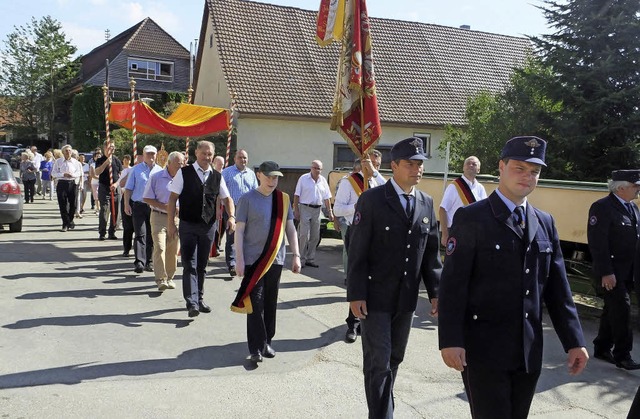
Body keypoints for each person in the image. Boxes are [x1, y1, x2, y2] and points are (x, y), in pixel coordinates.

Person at [438, 136, 589, 419]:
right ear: (501, 167)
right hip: (483, 349)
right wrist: (450, 339)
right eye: (519, 168)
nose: (527, 176)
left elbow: (558, 289)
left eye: (534, 171)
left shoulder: (545, 221)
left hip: (527, 351)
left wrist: (574, 340)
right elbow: (453, 285)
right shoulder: (472, 218)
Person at [347, 137, 441, 418]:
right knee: (379, 361)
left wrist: (437, 293)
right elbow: (357, 251)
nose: (417, 170)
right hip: (375, 297)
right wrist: (355, 294)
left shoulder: (425, 202)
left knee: (394, 357)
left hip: (406, 298)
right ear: (394, 166)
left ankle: (382, 406)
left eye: (420, 164)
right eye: (410, 164)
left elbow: (431, 255)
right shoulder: (373, 199)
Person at [231, 160, 302, 363]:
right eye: (269, 176)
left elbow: (290, 229)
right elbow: (240, 230)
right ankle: (255, 348)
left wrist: (296, 255)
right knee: (255, 304)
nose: (272, 181)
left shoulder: (284, 199)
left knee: (270, 303)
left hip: (276, 260)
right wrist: (239, 259)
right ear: (259, 175)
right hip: (254, 261)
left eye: (276, 177)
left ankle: (266, 341)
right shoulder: (247, 199)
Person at [167, 141, 236, 318]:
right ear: (196, 153)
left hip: (208, 226)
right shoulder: (184, 173)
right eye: (203, 153)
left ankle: (200, 298)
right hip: (188, 224)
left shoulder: (217, 176)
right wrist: (170, 223)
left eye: (210, 154)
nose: (207, 157)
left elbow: (227, 199)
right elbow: (173, 198)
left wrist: (232, 217)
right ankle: (192, 302)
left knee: (202, 265)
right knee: (189, 263)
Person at [588, 169, 640, 370]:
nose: (638, 190)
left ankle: (601, 347)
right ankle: (623, 355)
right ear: (621, 188)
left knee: (613, 311)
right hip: (611, 273)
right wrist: (606, 272)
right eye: (635, 186)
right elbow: (598, 243)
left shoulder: (632, 208)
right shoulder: (602, 207)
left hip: (629, 272)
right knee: (623, 311)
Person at [334, 157, 384, 343]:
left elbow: (391, 192)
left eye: (377, 165)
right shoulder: (349, 182)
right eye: (371, 164)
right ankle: (352, 324)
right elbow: (337, 209)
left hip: (378, 233)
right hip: (357, 231)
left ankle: (367, 321)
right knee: (358, 275)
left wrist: (375, 173)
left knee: (374, 278)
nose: (374, 167)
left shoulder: (377, 181)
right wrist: (354, 207)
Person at [143, 151, 185, 291]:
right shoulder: (156, 177)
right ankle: (161, 279)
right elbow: (146, 198)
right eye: (178, 163)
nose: (181, 165)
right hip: (159, 216)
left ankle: (170, 277)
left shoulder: (184, 178)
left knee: (173, 249)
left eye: (182, 163)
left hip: (176, 218)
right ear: (169, 162)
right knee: (160, 247)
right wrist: (164, 206)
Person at [221, 149, 259, 278]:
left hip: (248, 209)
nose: (243, 160)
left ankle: (245, 262)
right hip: (232, 208)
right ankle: (231, 264)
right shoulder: (226, 173)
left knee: (248, 236)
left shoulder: (251, 174)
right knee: (232, 236)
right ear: (235, 159)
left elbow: (255, 191)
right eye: (240, 157)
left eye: (245, 158)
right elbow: (220, 192)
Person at [124, 145, 161, 273]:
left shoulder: (160, 170)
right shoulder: (136, 170)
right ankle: (139, 262)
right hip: (139, 205)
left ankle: (149, 261)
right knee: (140, 233)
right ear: (143, 155)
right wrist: (126, 205)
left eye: (153, 154)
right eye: (148, 154)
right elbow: (128, 189)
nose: (151, 157)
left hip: (154, 207)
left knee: (151, 234)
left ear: (156, 155)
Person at [293, 160, 334, 268]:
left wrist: (330, 211)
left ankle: (310, 259)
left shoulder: (323, 180)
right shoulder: (303, 179)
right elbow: (296, 195)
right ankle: (300, 259)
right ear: (311, 168)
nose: (317, 170)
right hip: (305, 208)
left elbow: (327, 197)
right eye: (315, 168)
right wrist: (296, 210)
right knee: (304, 235)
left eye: (319, 169)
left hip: (317, 210)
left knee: (315, 235)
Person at [439, 155, 487, 247]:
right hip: (456, 232)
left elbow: (484, 212)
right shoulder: (454, 186)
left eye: (474, 164)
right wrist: (444, 235)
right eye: (468, 163)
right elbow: (442, 209)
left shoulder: (480, 188)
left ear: (479, 169)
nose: (471, 165)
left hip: (475, 234)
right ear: (463, 168)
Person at [95, 141, 124, 241]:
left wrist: (116, 184)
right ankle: (102, 232)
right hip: (104, 187)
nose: (112, 149)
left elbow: (122, 175)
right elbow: (97, 172)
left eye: (113, 147)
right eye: (110, 147)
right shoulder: (100, 160)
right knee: (104, 210)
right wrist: (105, 163)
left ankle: (112, 231)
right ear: (105, 148)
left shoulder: (116, 160)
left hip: (115, 188)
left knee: (116, 211)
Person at [51, 144, 82, 232]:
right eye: (66, 151)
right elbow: (53, 173)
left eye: (69, 151)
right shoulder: (58, 162)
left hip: (72, 183)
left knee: (73, 204)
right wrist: (63, 174)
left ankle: (70, 219)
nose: (68, 152)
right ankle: (65, 223)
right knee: (63, 204)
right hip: (62, 183)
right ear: (63, 152)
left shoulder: (76, 162)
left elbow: (79, 173)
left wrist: (72, 175)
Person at [118, 155, 134, 257]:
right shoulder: (127, 171)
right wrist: (131, 174)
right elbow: (121, 183)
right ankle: (126, 249)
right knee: (128, 227)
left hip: (140, 202)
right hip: (127, 199)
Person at [89, 148, 102, 214]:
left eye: (99, 156)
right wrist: (100, 178)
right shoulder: (92, 165)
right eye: (97, 156)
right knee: (96, 196)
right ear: (94, 157)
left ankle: (101, 208)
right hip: (94, 183)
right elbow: (92, 175)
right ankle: (98, 208)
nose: (98, 157)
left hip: (102, 183)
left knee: (101, 196)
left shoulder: (103, 165)